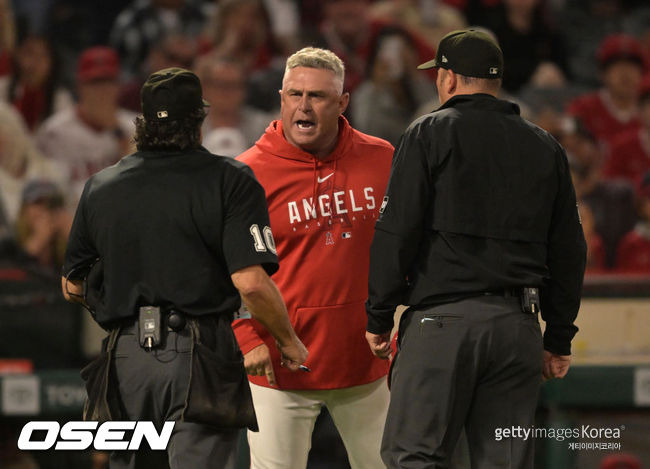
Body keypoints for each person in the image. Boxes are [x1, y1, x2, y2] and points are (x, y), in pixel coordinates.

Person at [61, 67, 307, 468]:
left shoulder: (101, 186)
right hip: (199, 353)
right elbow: (251, 282)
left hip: (125, 357)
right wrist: (288, 340)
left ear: (142, 122)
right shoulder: (230, 179)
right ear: (198, 120)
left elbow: (72, 285)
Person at [365, 30, 586, 468]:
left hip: (442, 323)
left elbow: (397, 232)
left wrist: (378, 313)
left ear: (447, 79)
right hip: (517, 328)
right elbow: (569, 250)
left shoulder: (429, 131)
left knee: (414, 456)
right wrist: (558, 335)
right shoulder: (545, 146)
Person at [233, 47, 393, 469]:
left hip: (367, 362)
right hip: (280, 367)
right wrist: (246, 337)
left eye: (318, 96)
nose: (304, 106)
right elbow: (221, 269)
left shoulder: (383, 159)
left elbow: (410, 249)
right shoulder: (246, 174)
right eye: (294, 94)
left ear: (342, 103)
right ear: (281, 98)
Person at [35, 46, 136, 209]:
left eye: (108, 82)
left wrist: (120, 136)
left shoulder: (135, 126)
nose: (102, 91)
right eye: (95, 82)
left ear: (119, 86)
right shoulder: (54, 132)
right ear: (79, 86)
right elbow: (48, 194)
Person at [566, 34, 645, 153]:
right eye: (616, 66)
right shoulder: (583, 108)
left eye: (632, 65)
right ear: (602, 73)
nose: (625, 73)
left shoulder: (646, 110)